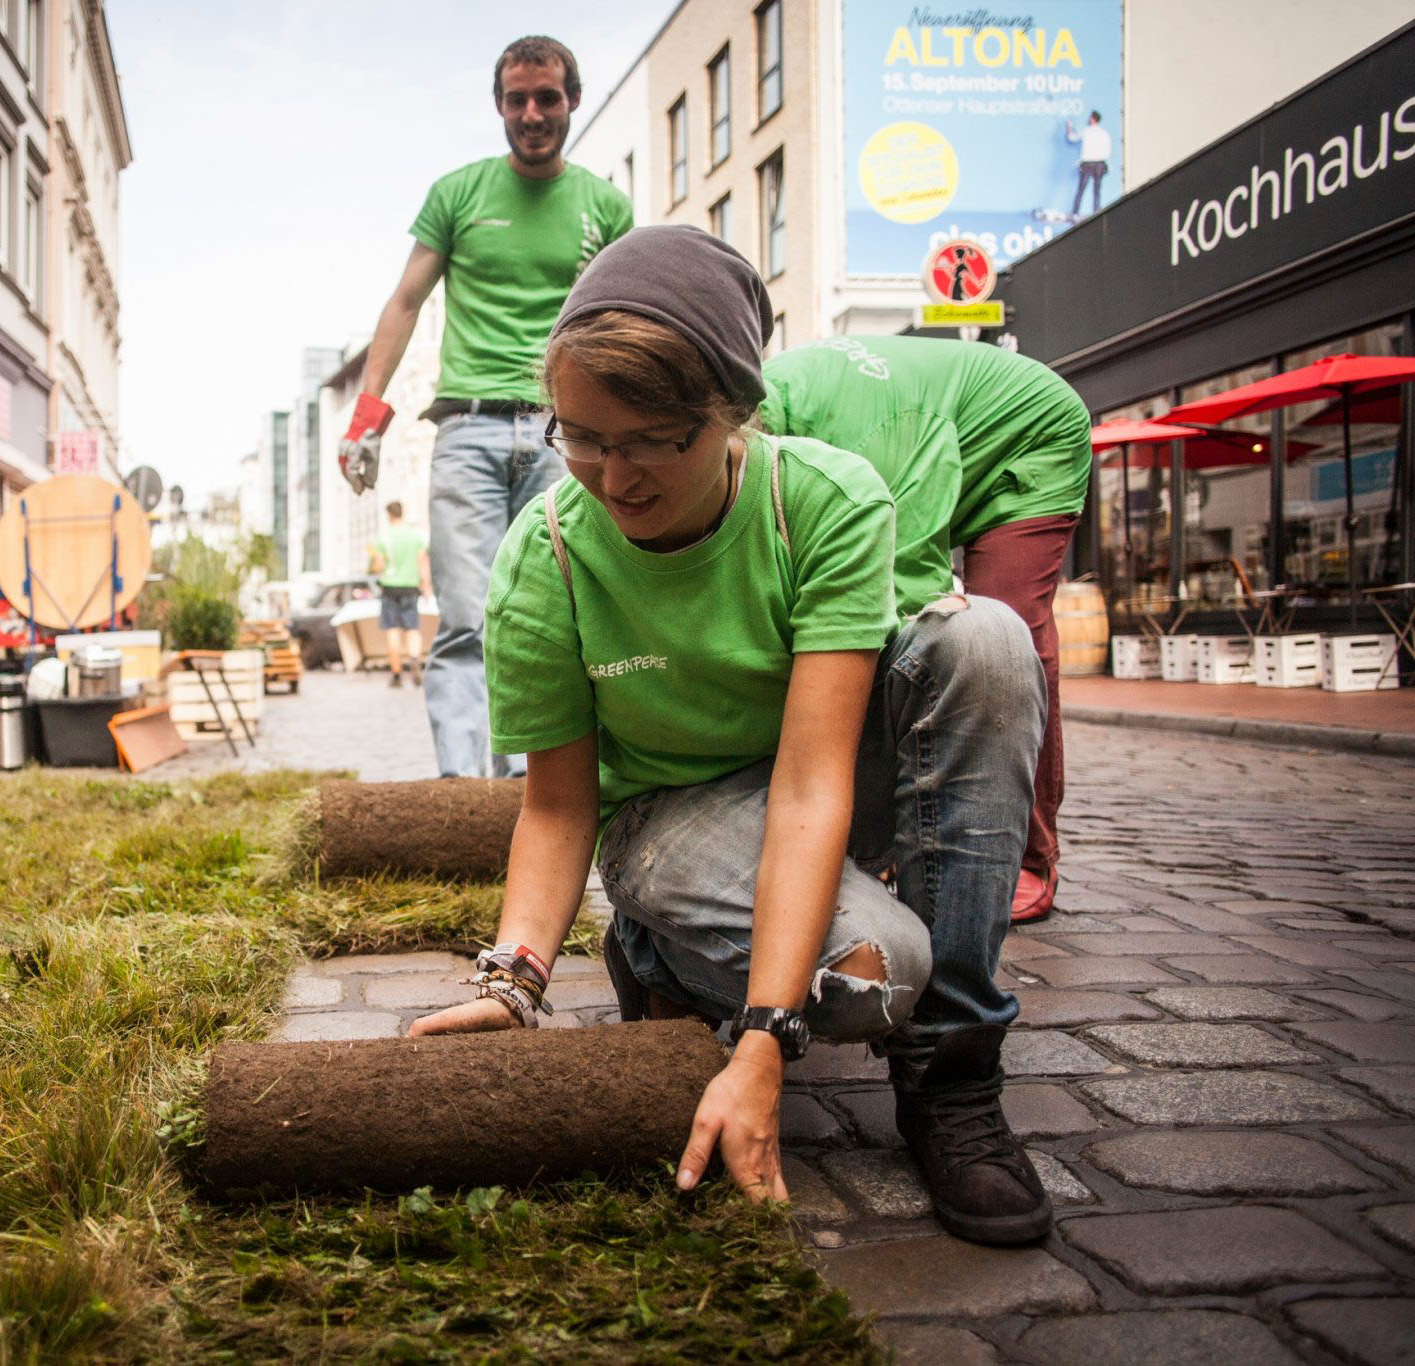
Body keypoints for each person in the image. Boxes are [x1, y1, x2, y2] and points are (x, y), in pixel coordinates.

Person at [410, 226, 1053, 1248]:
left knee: (984, 642)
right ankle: (655, 947)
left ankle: (954, 1078)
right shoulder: (551, 555)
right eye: (578, 436)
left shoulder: (824, 502)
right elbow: (558, 803)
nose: (610, 477)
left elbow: (808, 785)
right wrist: (511, 978)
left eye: (651, 438)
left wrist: (758, 1040)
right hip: (666, 818)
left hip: (809, 783)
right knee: (873, 971)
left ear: (731, 413)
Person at [337, 35, 633, 776]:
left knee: (550, 620)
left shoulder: (606, 206)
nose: (531, 114)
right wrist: (366, 416)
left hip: (565, 437)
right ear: (499, 104)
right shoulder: (458, 193)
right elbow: (405, 301)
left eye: (547, 98)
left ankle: (533, 796)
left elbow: (622, 320)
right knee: (467, 619)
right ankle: (465, 794)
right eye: (516, 100)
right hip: (465, 430)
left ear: (572, 100)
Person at [757, 336, 1091, 923]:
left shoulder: (873, 444)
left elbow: (902, 591)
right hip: (941, 431)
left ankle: (1032, 857)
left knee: (1003, 641)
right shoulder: (770, 414)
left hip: (1028, 436)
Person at [368, 501, 431, 687]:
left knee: (392, 630)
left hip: (389, 587)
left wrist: (372, 567)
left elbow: (378, 566)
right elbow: (423, 564)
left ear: (388, 515)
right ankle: (414, 659)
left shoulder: (383, 537)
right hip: (411, 587)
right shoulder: (416, 536)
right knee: (412, 629)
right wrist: (426, 586)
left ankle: (396, 674)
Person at [1067, 111, 1110, 218]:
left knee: (1081, 189)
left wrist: (1069, 127)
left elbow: (1072, 137)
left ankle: (1075, 213)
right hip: (1100, 164)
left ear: (1092, 119)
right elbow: (1108, 150)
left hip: (1087, 164)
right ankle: (1096, 213)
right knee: (1097, 191)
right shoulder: (1104, 133)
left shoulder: (1086, 131)